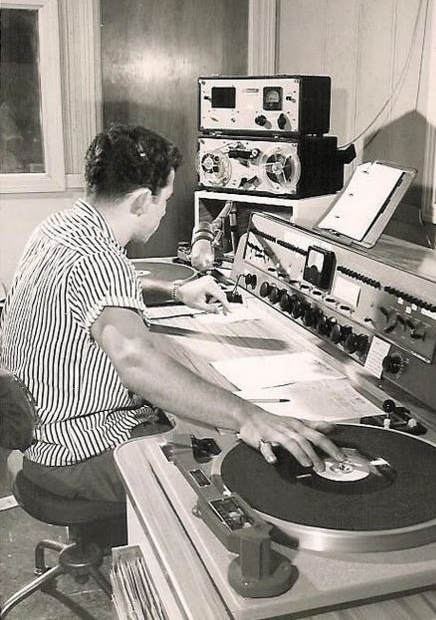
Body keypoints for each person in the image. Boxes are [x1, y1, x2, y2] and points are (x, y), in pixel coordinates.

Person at [0, 124, 344, 503]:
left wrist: (178, 290)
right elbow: (136, 362)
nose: (164, 211)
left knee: (205, 421)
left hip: (40, 439)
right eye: (164, 200)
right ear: (140, 201)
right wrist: (249, 415)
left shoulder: (59, 228)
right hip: (80, 455)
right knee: (242, 476)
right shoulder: (100, 259)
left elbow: (91, 294)